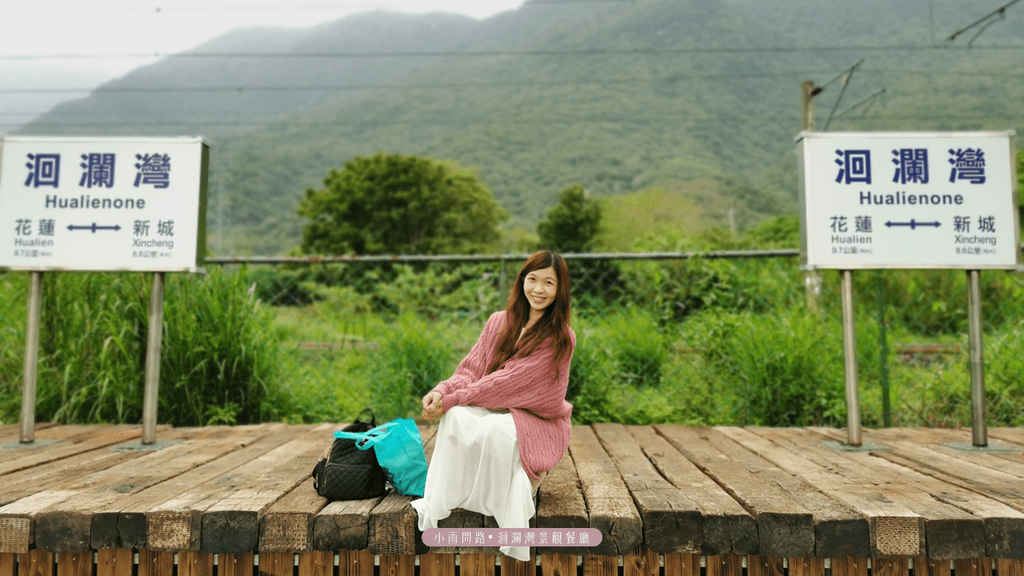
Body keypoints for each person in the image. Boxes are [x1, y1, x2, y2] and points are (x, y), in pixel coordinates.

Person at [411, 250, 575, 561]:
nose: (539, 290)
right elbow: (470, 370)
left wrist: (454, 399)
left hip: (536, 420)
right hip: (492, 405)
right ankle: (463, 492)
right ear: (522, 282)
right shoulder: (499, 321)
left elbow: (509, 382)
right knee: (457, 416)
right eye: (533, 280)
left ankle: (515, 490)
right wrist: (441, 391)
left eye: (549, 283)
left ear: (560, 290)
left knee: (499, 429)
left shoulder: (561, 337)